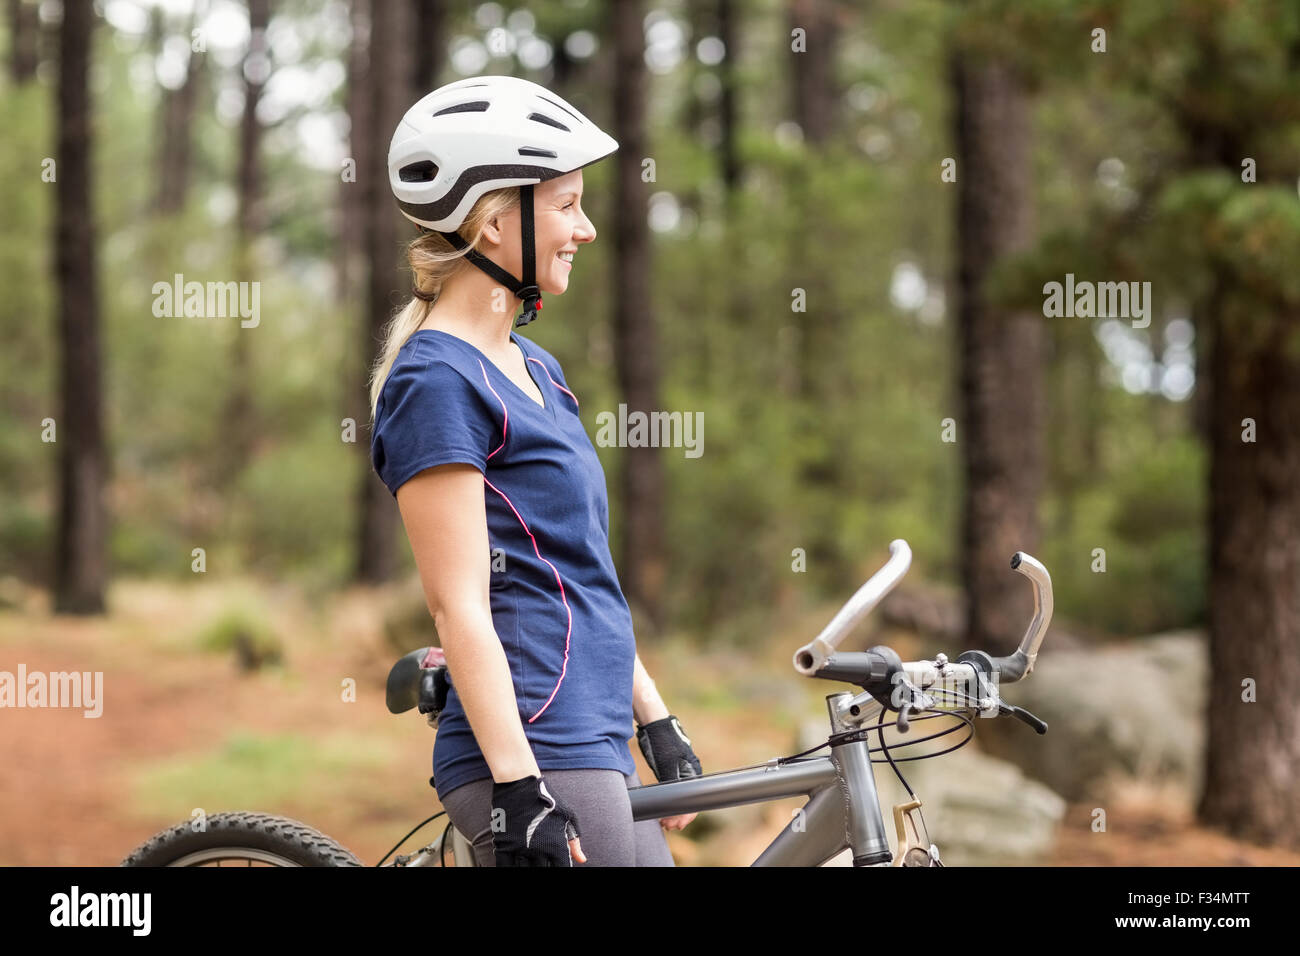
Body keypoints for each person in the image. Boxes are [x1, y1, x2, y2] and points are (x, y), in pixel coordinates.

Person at [368, 76, 703, 867]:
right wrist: (520, 789)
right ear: (491, 222)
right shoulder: (436, 384)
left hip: (591, 734)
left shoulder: (537, 368)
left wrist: (654, 717)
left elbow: (578, 569)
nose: (585, 229)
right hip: (534, 744)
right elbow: (457, 607)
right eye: (565, 204)